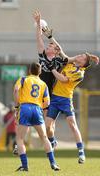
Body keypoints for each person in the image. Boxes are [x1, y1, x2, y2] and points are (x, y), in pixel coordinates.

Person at [42, 26, 99, 163]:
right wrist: (50, 37)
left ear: (84, 63)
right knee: (48, 127)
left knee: (73, 125)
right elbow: (61, 51)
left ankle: (81, 152)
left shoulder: (79, 73)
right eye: (80, 55)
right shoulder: (72, 63)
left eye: (82, 57)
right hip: (54, 98)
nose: (78, 56)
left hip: (66, 100)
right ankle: (53, 141)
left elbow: (63, 79)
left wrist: (52, 68)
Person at [33, 10, 77, 148]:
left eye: (50, 46)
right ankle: (20, 143)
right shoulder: (42, 57)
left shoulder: (59, 61)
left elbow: (65, 55)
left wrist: (52, 38)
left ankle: (52, 139)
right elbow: (39, 40)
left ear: (56, 50)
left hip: (51, 94)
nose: (48, 46)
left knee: (49, 126)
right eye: (48, 45)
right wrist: (39, 25)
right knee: (34, 119)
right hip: (39, 93)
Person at [13, 62, 60, 171]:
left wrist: (16, 107)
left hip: (25, 108)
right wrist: (44, 116)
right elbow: (47, 103)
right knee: (44, 138)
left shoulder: (23, 79)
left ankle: (25, 166)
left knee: (19, 139)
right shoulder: (43, 84)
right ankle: (53, 163)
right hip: (37, 109)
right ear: (40, 72)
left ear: (29, 70)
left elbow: (16, 90)